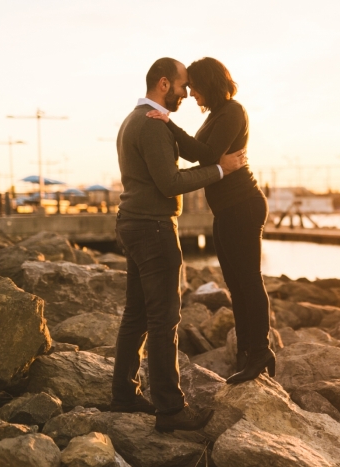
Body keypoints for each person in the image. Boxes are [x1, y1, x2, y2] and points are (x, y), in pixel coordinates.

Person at [112, 57, 247, 432]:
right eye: (183, 85)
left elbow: (179, 158)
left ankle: (123, 396)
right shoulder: (151, 125)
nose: (188, 93)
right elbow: (169, 183)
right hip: (153, 227)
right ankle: (170, 410)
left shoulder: (135, 119)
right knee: (164, 319)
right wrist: (222, 169)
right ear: (163, 84)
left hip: (135, 223)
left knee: (136, 315)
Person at [146, 57, 274, 384]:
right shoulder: (218, 114)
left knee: (249, 281)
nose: (190, 93)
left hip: (242, 205)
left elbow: (204, 154)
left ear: (208, 83)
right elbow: (204, 153)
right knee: (236, 284)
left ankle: (260, 351)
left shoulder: (233, 111)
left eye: (193, 86)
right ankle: (247, 353)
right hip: (226, 210)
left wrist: (167, 124)